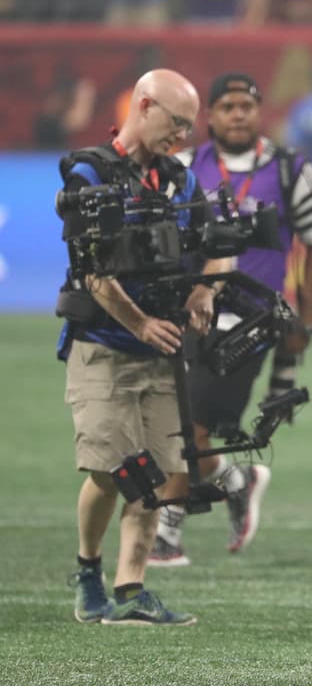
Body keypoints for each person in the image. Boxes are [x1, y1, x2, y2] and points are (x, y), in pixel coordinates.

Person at [147, 72, 312, 567]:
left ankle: (166, 531)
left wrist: (307, 319)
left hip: (252, 319)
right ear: (209, 116)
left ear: (260, 113)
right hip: (190, 312)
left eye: (246, 106)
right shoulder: (184, 166)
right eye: (227, 106)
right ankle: (237, 480)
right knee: (178, 420)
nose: (237, 114)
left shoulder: (290, 169)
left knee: (188, 420)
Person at [61, 69, 227, 625]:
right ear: (144, 104)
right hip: (104, 345)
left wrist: (204, 289)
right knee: (112, 469)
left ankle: (131, 591)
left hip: (162, 347)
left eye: (187, 126)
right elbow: (91, 270)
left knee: (157, 474)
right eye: (175, 122)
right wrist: (137, 324)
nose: (181, 136)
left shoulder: (178, 179)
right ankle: (88, 571)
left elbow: (220, 244)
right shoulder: (89, 172)